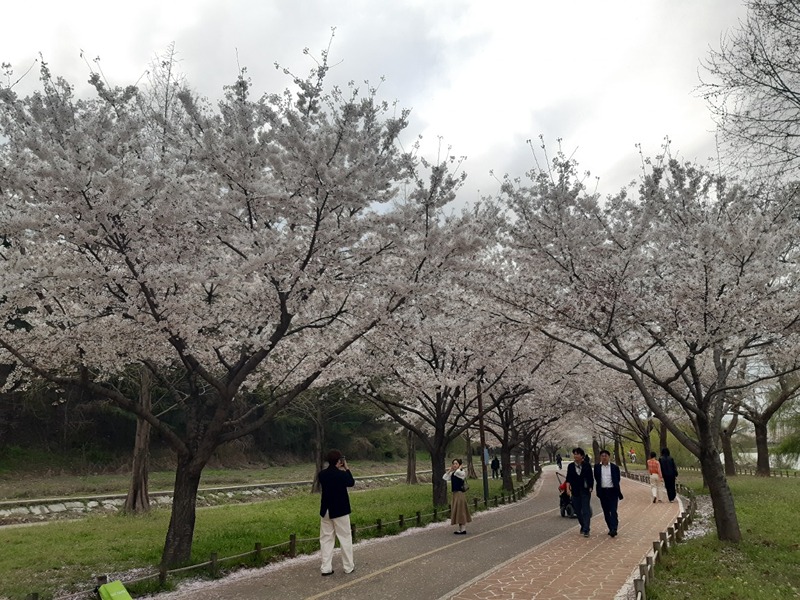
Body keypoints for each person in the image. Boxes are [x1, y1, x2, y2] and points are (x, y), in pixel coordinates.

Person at [318, 449, 355, 576]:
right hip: (340, 510)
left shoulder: (322, 474)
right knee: (345, 538)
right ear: (339, 461)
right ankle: (348, 566)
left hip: (326, 510)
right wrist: (347, 468)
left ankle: (326, 567)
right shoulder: (342, 475)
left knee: (326, 538)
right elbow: (351, 482)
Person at [565, 447, 594, 537]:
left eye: (577, 454)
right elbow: (568, 478)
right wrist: (567, 488)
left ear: (582, 456)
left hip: (585, 490)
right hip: (575, 490)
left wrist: (591, 487)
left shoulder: (586, 465)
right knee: (577, 510)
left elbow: (590, 477)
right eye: (574, 454)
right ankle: (583, 525)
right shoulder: (570, 466)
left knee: (585, 509)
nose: (575, 455)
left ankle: (586, 529)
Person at [593, 449, 623, 537]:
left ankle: (614, 528)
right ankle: (610, 527)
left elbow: (617, 479)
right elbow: (597, 478)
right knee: (606, 511)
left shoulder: (614, 467)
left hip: (612, 491)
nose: (604, 457)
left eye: (606, 455)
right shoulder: (597, 467)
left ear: (609, 457)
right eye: (602, 456)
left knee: (613, 510)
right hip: (603, 491)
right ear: (600, 457)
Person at [443, 458, 472, 534]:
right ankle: (460, 528)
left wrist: (459, 468)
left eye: (456, 463)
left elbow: (458, 473)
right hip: (455, 494)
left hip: (460, 494)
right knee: (457, 511)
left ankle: (463, 529)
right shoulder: (454, 473)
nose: (454, 465)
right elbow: (445, 477)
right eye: (453, 464)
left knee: (461, 510)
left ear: (459, 465)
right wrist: (450, 470)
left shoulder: (461, 472)